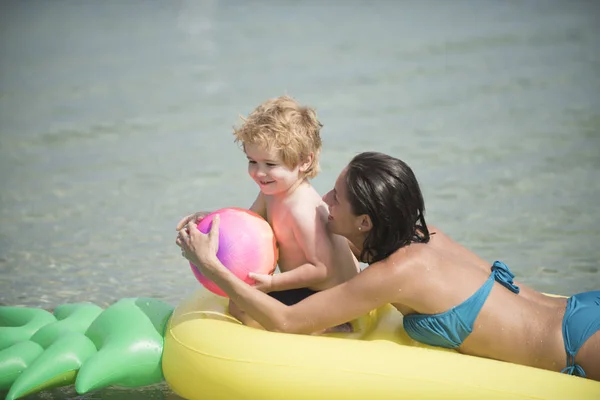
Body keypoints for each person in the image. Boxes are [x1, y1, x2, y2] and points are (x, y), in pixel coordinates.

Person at [178, 151, 600, 381]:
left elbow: (288, 324)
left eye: (337, 197)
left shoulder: (395, 274)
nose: (324, 200)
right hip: (582, 311)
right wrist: (217, 220)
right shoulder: (427, 235)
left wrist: (214, 269)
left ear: (365, 222)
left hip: (577, 346)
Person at [176, 96, 359, 329]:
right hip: (311, 288)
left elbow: (321, 269)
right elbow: (247, 226)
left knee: (241, 307)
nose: (259, 173)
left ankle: (333, 329)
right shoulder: (272, 192)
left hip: (331, 297)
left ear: (304, 161)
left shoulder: (303, 209)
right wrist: (210, 221)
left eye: (270, 165)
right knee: (240, 301)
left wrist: (273, 283)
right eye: (252, 161)